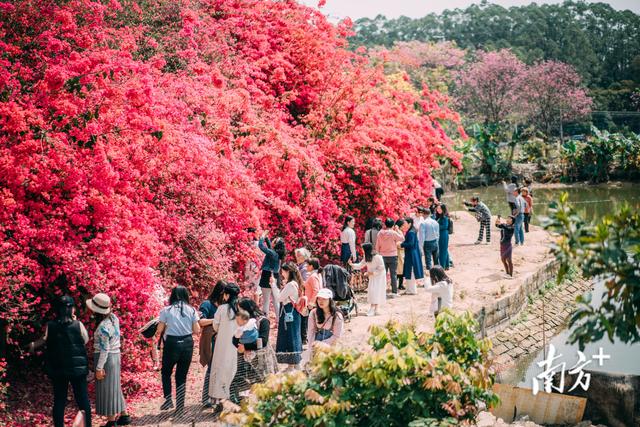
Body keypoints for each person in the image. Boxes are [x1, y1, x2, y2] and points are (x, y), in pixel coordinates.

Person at [31, 296, 91, 427]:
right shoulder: (78, 325)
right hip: (77, 369)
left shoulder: (51, 326)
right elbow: (85, 340)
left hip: (58, 369)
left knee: (59, 401)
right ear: (71, 309)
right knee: (83, 400)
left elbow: (46, 340)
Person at [86, 293, 129, 426]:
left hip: (106, 358)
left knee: (108, 388)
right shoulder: (113, 318)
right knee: (115, 386)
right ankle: (124, 414)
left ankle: (111, 421)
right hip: (115, 356)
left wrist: (99, 368)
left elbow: (104, 349)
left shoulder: (103, 327)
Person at [157, 286, 200, 413]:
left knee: (166, 372)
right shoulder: (191, 310)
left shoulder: (166, 310)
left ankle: (168, 399)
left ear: (173, 296)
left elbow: (159, 329)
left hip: (171, 343)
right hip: (187, 343)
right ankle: (180, 408)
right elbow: (197, 330)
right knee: (181, 376)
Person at [230, 298, 275, 401]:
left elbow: (263, 341)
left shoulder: (263, 321)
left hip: (262, 359)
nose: (238, 312)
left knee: (264, 383)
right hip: (244, 359)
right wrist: (238, 346)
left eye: (240, 309)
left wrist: (246, 347)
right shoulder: (241, 322)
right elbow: (235, 338)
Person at [209, 283, 241, 406]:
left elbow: (215, 325)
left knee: (220, 368)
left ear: (227, 295)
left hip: (222, 343)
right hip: (236, 344)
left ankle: (219, 399)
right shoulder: (240, 308)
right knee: (232, 367)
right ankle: (232, 396)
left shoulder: (222, 309)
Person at [198, 280, 226, 407]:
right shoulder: (207, 304)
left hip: (222, 340)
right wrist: (216, 320)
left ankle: (217, 396)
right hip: (210, 340)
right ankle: (206, 398)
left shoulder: (224, 306)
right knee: (211, 368)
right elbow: (200, 321)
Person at [271, 262, 303, 369]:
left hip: (288, 314)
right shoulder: (295, 283)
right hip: (293, 314)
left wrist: (273, 285)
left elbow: (279, 298)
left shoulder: (290, 285)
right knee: (294, 336)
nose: (282, 273)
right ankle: (296, 364)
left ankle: (291, 366)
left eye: (283, 271)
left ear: (288, 271)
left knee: (290, 337)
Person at [350, 243, 386, 316]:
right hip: (372, 277)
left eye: (363, 249)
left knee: (376, 291)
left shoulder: (378, 257)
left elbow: (381, 268)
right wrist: (352, 265)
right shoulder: (366, 257)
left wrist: (371, 273)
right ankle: (374, 309)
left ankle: (374, 308)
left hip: (379, 277)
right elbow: (360, 265)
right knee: (373, 291)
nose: (362, 250)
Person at [375, 218, 405, 297]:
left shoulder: (380, 233)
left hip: (382, 256)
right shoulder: (393, 233)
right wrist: (398, 230)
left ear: (385, 224)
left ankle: (381, 292)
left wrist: (378, 254)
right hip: (392, 256)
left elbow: (377, 246)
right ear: (392, 225)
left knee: (382, 275)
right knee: (393, 275)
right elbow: (402, 238)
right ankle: (394, 292)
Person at [258, 230, 285, 316]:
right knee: (276, 300)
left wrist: (262, 236)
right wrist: (266, 238)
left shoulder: (272, 253)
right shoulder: (276, 254)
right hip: (275, 276)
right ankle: (278, 321)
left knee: (266, 300)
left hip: (267, 276)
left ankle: (265, 319)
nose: (273, 240)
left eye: (274, 240)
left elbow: (261, 246)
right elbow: (270, 247)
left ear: (276, 244)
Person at [297, 257, 322, 345]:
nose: (306, 267)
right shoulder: (316, 275)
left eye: (307, 266)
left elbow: (316, 290)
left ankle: (305, 339)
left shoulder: (313, 276)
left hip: (310, 303)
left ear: (311, 266)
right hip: (311, 302)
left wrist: (311, 303)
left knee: (306, 322)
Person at [400, 217, 424, 294]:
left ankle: (412, 290)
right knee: (410, 272)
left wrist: (401, 244)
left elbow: (410, 244)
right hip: (412, 253)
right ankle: (409, 289)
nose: (404, 225)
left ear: (409, 224)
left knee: (411, 272)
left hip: (411, 254)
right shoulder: (412, 231)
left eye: (405, 223)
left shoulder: (411, 232)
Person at [435, 204, 451, 270]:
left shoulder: (444, 217)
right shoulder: (440, 216)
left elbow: (445, 226)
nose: (438, 210)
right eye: (437, 208)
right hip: (441, 234)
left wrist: (435, 226)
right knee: (445, 250)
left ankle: (442, 267)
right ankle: (447, 265)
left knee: (442, 251)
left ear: (443, 209)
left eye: (439, 208)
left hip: (443, 234)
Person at [395, 218, 406, 291]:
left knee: (398, 270)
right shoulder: (398, 232)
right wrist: (403, 245)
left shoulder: (397, 231)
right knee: (400, 270)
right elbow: (399, 243)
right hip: (399, 252)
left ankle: (399, 284)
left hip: (399, 252)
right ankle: (400, 285)